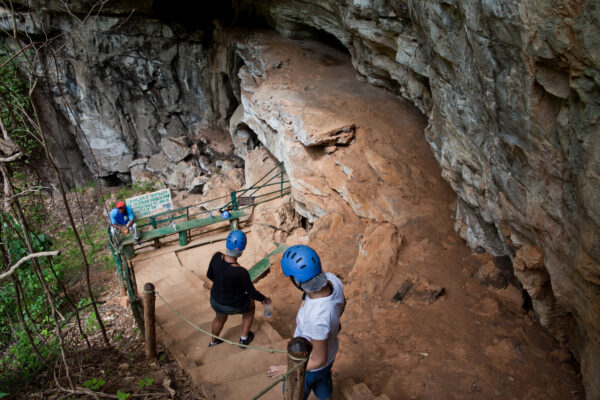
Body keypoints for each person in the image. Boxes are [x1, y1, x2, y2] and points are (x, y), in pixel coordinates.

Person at [267, 245, 346, 400]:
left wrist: (286, 369)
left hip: (310, 367)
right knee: (323, 385)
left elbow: (318, 360)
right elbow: (342, 303)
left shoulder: (317, 318)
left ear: (297, 281)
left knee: (294, 393)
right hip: (330, 354)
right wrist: (334, 323)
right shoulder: (332, 279)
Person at [207, 230, 271, 347]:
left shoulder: (216, 256)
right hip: (232, 304)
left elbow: (209, 275)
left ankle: (213, 342)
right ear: (241, 250)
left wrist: (221, 285)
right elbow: (251, 292)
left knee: (220, 318)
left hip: (215, 300)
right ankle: (243, 339)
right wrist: (264, 299)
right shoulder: (241, 272)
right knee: (250, 307)